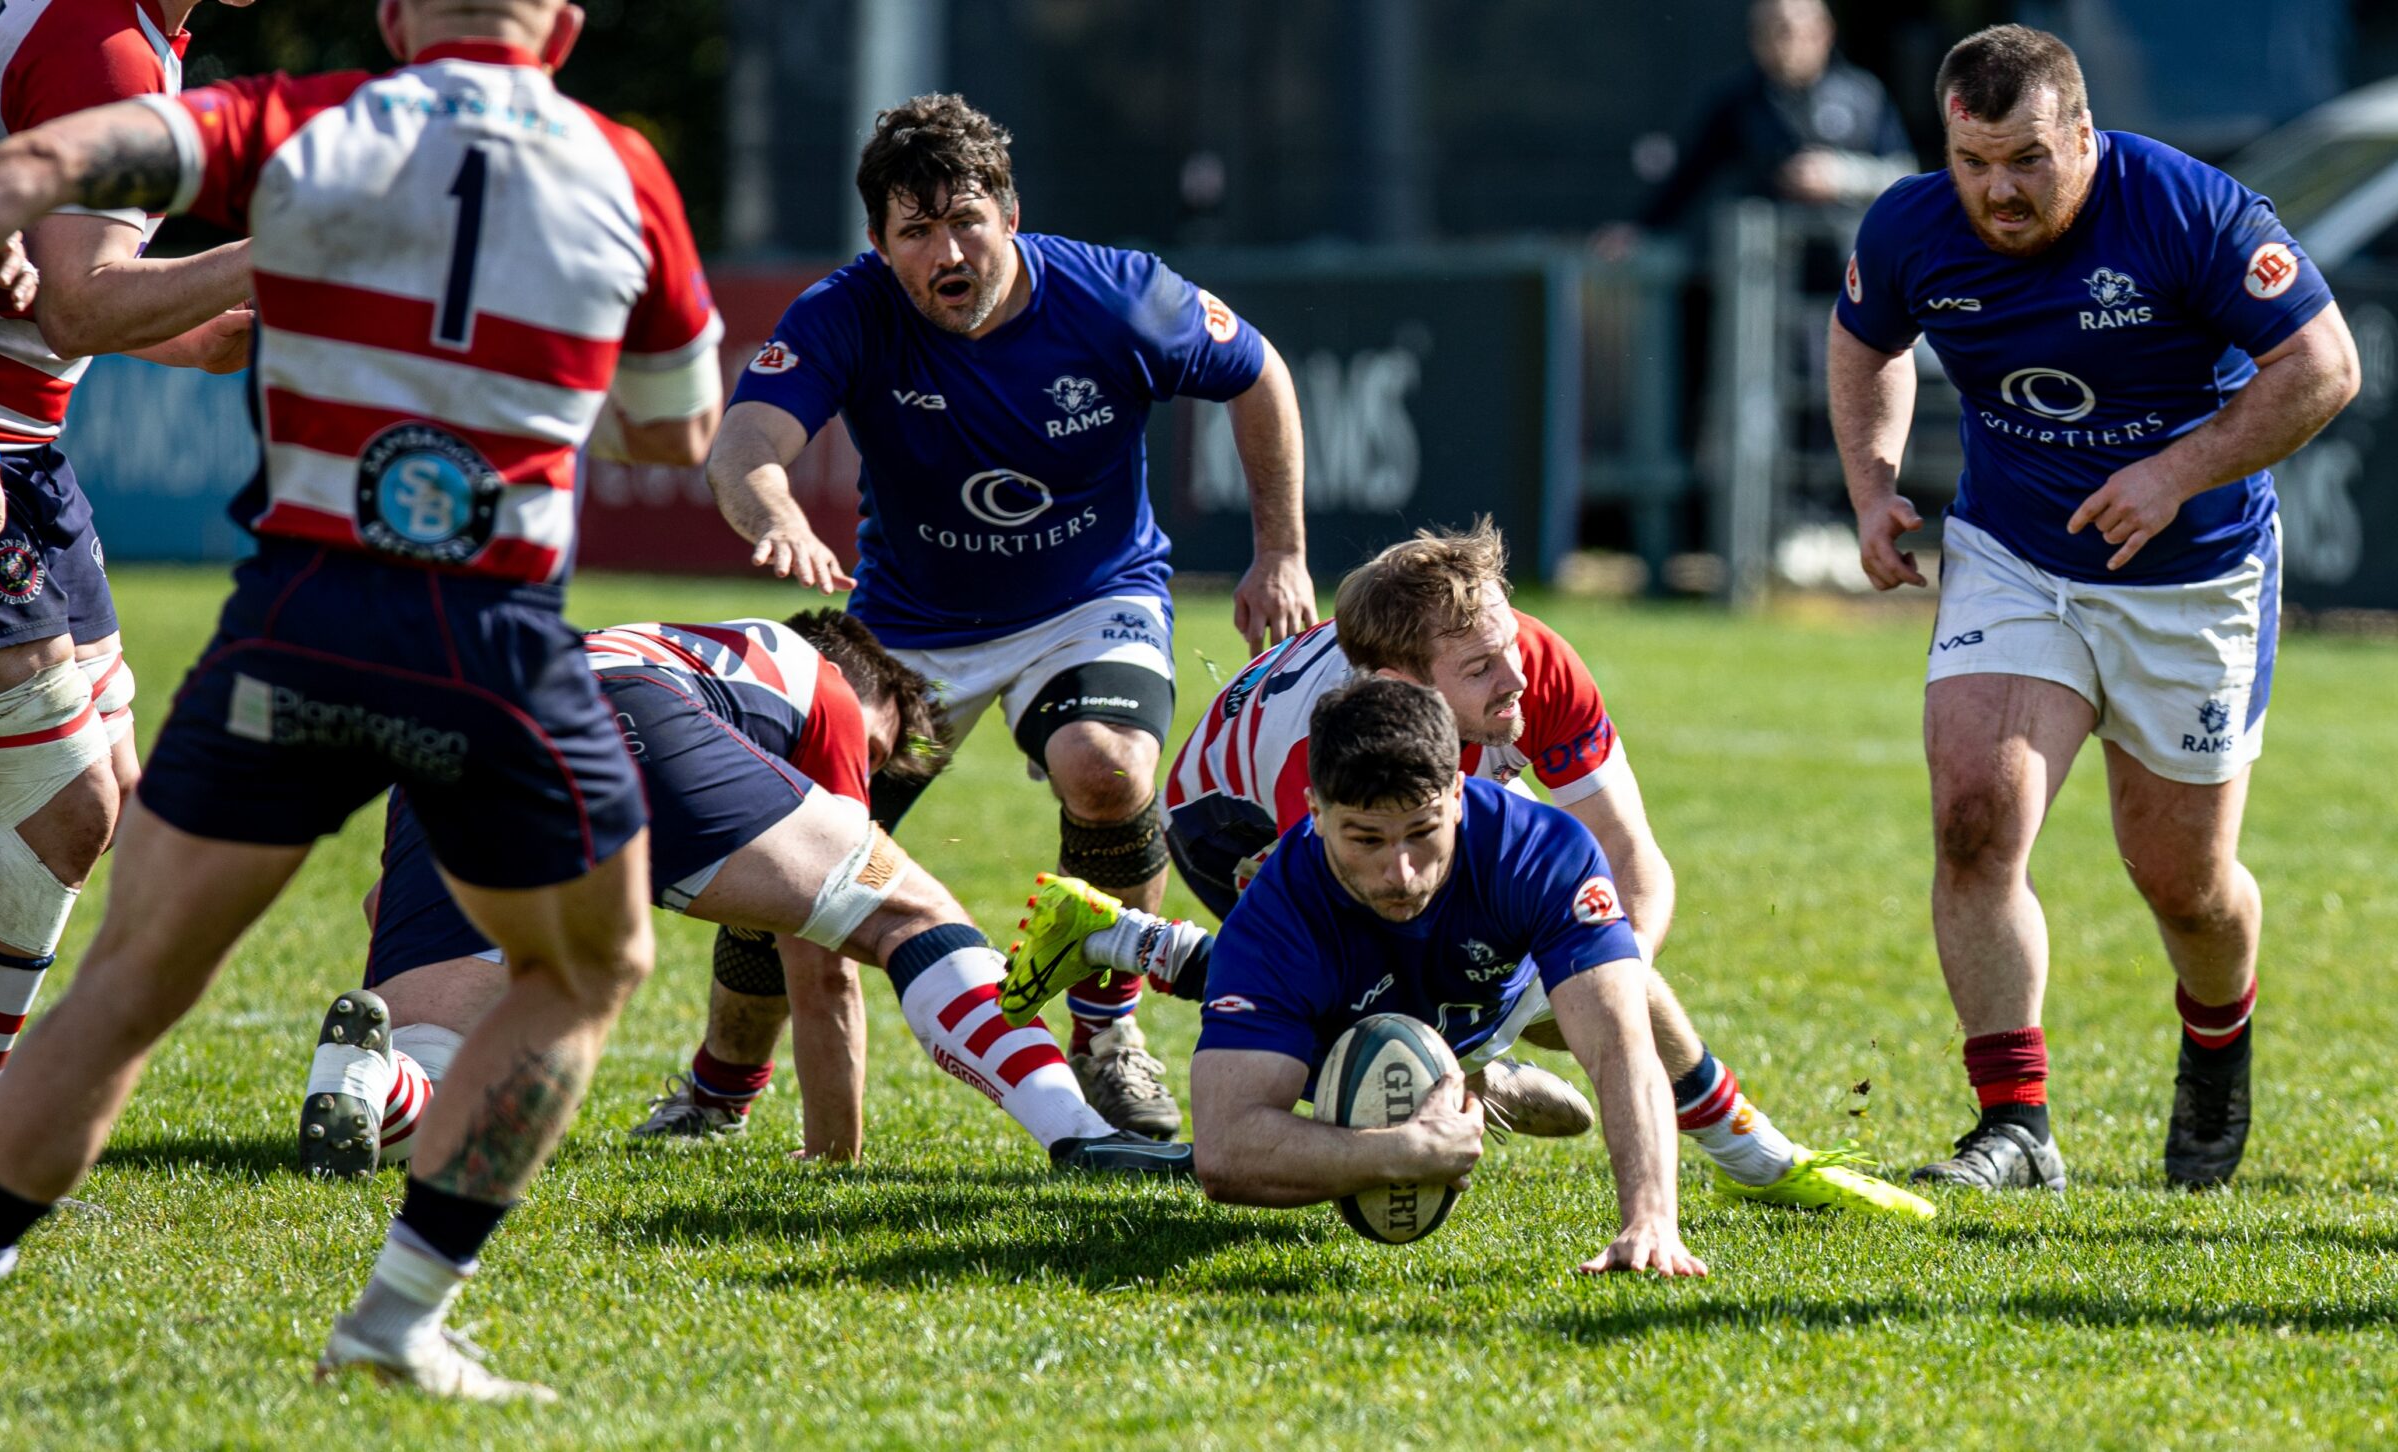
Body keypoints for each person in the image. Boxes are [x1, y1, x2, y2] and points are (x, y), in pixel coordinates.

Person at [0, 0, 723, 1401]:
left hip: (298, 629)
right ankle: (400, 1316)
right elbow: (675, 428)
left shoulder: (312, 121)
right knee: (591, 970)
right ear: (561, 24)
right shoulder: (626, 169)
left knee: (131, 981)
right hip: (493, 644)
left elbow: (20, 180)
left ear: (391, 18)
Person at [1006, 520, 1933, 1218]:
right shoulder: (1334, 774)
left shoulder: (1537, 668)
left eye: (1510, 646)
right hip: (1225, 816)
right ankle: (1127, 939)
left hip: (1396, 795)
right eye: (1483, 666)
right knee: (1348, 1009)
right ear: (1406, 688)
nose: (1517, 680)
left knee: (1586, 1002)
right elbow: (1384, 918)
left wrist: (1598, 966)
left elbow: (1632, 854)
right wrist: (1481, 1057)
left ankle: (1761, 1160)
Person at [705, 92, 1313, 1139]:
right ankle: (717, 1090)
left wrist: (1282, 550)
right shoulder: (845, 311)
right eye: (917, 230)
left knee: (1106, 766)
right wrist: (775, 515)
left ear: (1010, 214)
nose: (949, 250)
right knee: (788, 855)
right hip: (910, 624)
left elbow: (1259, 375)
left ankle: (1108, 1031)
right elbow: (744, 443)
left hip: (1091, 599)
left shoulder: (1115, 298)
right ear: (880, 245)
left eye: (966, 220)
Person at [1827, 25, 2359, 1191]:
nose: (1996, 192)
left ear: (2081, 133)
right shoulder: (1910, 225)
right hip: (2016, 555)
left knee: (2183, 881)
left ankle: (2217, 1048)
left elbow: (2322, 366)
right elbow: (1866, 342)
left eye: (2025, 160)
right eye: (1973, 163)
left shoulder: (2187, 209)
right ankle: (2015, 1125)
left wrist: (2174, 473)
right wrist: (1871, 488)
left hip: (2193, 578)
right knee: (1974, 815)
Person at [0, 0, 266, 1203]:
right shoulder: (107, 40)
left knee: (93, 789)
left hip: (19, 440)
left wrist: (201, 331)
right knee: (68, 801)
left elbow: (49, 291)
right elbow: (77, 300)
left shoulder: (137, 35)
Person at [298, 613, 1184, 1177]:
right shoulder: (830, 684)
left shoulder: (677, 640)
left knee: (441, 1088)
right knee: (908, 912)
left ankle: (373, 1079)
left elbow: (384, 906)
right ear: (871, 692)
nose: (864, 786)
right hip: (624, 716)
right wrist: (836, 1155)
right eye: (878, 760)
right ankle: (1079, 1133)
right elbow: (824, 957)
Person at [1190, 677, 1705, 1275]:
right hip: (1332, 1040)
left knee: (1625, 989)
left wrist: (1650, 1220)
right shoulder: (1275, 917)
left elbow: (1621, 1047)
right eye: (1366, 839)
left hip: (1494, 1002)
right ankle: (1481, 1085)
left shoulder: (1538, 851)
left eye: (1423, 831)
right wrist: (1407, 1152)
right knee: (1226, 981)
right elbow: (1226, 1150)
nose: (1402, 872)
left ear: (1459, 792)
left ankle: (1481, 1071)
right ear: (1316, 812)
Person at [1618, 0, 1914, 248]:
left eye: (1786, 31)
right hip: (1766, 274)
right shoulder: (1739, 100)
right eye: (1763, 32)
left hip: (1850, 266)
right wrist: (1638, 229)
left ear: (1822, 33)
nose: (1777, 44)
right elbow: (1688, 177)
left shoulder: (1863, 95)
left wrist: (1841, 176)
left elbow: (1904, 175)